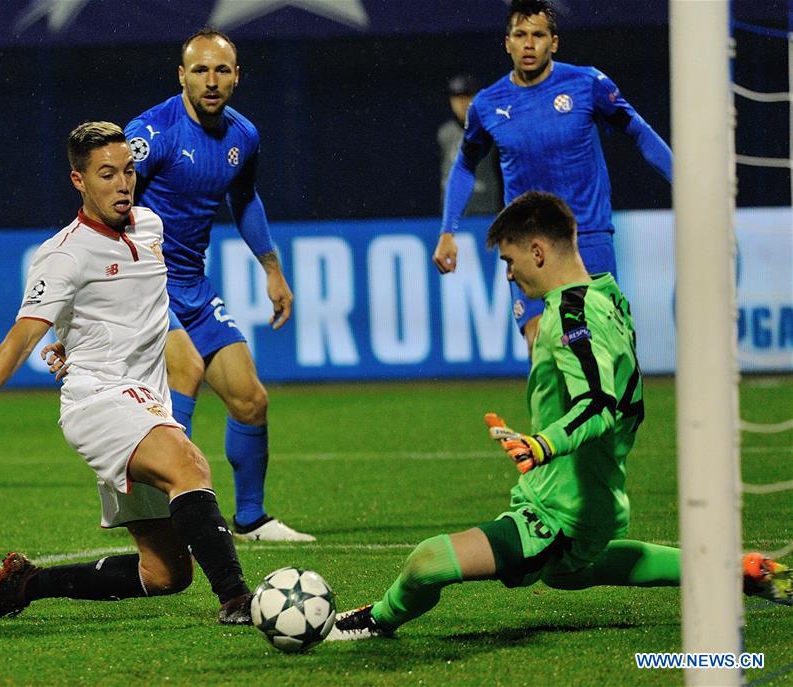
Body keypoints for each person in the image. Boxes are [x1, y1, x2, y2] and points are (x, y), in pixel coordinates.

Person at [328, 192, 791, 640]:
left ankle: (373, 621)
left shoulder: (572, 314)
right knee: (569, 574)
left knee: (427, 562)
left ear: (537, 251)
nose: (509, 275)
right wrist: (540, 435)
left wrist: (542, 444)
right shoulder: (607, 299)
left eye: (510, 261)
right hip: (597, 495)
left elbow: (598, 405)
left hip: (561, 510)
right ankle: (733, 571)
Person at [0, 122, 253, 624]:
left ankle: (29, 583)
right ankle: (238, 600)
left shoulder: (150, 228)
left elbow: (124, 307)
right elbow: (22, 335)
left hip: (146, 400)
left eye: (128, 171)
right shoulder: (64, 255)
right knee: (189, 467)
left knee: (166, 574)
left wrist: (73, 338)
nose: (123, 184)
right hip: (100, 403)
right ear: (79, 180)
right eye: (107, 174)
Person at [124, 28, 313, 542]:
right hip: (146, 284)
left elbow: (245, 199)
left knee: (250, 398)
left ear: (236, 77)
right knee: (183, 372)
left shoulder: (242, 136)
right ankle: (168, 517)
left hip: (193, 284)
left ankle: (250, 517)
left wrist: (272, 268)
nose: (211, 80)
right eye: (200, 70)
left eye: (222, 70)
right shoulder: (151, 133)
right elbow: (105, 199)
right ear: (181, 75)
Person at [432, 0, 672, 352]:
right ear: (507, 42)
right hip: (526, 243)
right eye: (520, 35)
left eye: (538, 35)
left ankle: (604, 408)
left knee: (597, 347)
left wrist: (685, 181)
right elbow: (465, 165)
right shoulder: (487, 104)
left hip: (586, 237)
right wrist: (447, 230)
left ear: (553, 42)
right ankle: (551, 410)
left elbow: (639, 131)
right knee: (541, 341)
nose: (529, 44)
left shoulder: (587, 84)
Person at [437, 74, 502, 217]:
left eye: (467, 96)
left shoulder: (491, 130)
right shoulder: (445, 133)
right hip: (453, 214)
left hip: (486, 212)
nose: (462, 102)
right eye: (456, 97)